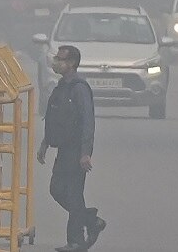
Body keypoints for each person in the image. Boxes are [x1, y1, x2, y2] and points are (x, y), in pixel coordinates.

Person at [37, 45, 106, 251]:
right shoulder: (61, 87)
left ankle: (75, 241)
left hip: (76, 152)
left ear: (72, 64)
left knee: (74, 194)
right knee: (56, 190)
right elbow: (55, 119)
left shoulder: (79, 88)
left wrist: (85, 153)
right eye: (57, 58)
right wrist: (45, 143)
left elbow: (87, 121)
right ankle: (91, 221)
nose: (56, 62)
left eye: (61, 59)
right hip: (63, 150)